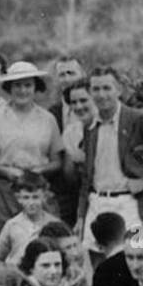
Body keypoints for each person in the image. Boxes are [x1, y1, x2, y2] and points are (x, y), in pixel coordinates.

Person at [0, 61, 64, 238]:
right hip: (2, 194)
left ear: (35, 88)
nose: (22, 90)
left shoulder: (48, 119)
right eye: (17, 85)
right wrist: (6, 171)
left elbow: (57, 161)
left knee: (41, 243)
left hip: (37, 192)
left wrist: (38, 170)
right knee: (2, 245)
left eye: (28, 85)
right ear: (9, 87)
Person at [77, 66, 143, 247]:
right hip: (97, 203)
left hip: (129, 205)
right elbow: (86, 177)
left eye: (107, 88)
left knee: (135, 255)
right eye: (96, 89)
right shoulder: (89, 125)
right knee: (94, 257)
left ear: (119, 90)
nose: (101, 94)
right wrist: (81, 215)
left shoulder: (137, 119)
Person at [0, 171, 55, 268]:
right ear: (19, 198)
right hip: (17, 275)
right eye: (26, 198)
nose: (31, 203)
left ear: (44, 197)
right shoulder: (12, 225)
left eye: (35, 197)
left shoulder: (53, 224)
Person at [55, 77, 95, 224]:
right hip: (83, 198)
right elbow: (70, 176)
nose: (78, 107)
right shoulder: (71, 133)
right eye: (73, 102)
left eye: (84, 100)